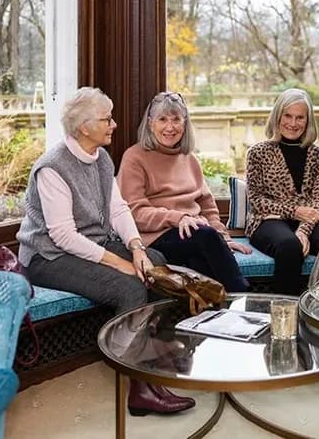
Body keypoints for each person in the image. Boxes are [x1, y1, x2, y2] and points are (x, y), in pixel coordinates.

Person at [16, 87, 195, 416]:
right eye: (107, 119)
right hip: (48, 257)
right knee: (129, 287)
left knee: (156, 263)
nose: (114, 124)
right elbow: (63, 236)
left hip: (91, 243)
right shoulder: (52, 168)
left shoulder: (100, 158)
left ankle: (151, 353)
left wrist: (137, 248)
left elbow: (118, 209)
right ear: (84, 127)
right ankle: (140, 388)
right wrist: (118, 263)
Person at [118, 91, 251, 293]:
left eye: (176, 119)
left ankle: (220, 309)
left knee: (200, 262)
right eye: (163, 119)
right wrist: (178, 218)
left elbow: (207, 205)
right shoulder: (134, 157)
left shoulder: (189, 159)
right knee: (205, 237)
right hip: (155, 235)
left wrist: (223, 238)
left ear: (185, 123)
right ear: (150, 123)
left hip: (194, 235)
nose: (170, 127)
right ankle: (242, 299)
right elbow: (134, 212)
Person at [245, 88, 319, 295]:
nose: (293, 123)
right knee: (289, 246)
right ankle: (286, 309)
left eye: (300, 117)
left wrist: (303, 230)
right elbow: (256, 200)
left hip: (313, 218)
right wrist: (294, 212)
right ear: (277, 116)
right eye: (287, 116)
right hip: (268, 220)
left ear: (308, 121)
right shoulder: (257, 153)